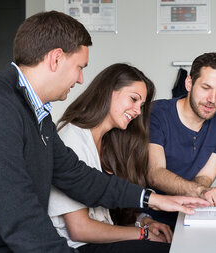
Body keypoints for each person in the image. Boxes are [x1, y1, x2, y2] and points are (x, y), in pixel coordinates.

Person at [0, 11, 208, 252]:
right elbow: (20, 217)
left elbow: (79, 178)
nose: (81, 79)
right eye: (80, 67)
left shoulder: (35, 112)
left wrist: (154, 200)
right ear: (56, 58)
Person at [48, 63, 172, 253]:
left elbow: (110, 210)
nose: (138, 111)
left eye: (141, 105)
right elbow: (80, 230)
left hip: (100, 242)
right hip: (79, 247)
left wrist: (143, 222)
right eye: (133, 99)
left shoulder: (108, 141)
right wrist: (142, 234)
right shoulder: (71, 137)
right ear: (109, 91)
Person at [146, 52, 216, 228]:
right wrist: (201, 192)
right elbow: (155, 174)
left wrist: (196, 197)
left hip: (191, 212)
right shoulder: (157, 113)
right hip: (152, 215)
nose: (212, 99)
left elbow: (206, 175)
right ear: (189, 83)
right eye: (206, 88)